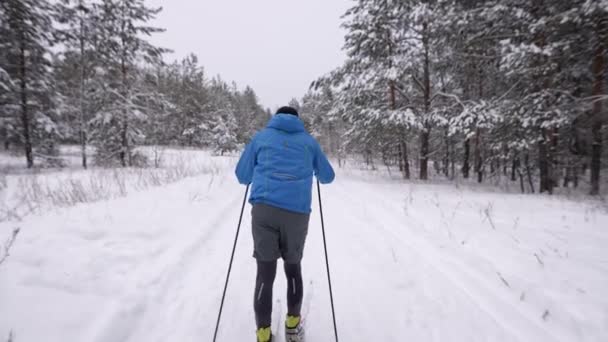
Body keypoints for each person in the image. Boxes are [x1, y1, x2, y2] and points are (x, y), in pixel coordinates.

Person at [235, 106, 335, 342]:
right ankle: (292, 326)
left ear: (276, 118)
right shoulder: (308, 142)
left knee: (264, 274)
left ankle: (263, 334)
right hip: (296, 215)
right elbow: (328, 177)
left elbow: (242, 176)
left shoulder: (260, 138)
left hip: (264, 212)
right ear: (297, 120)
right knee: (292, 269)